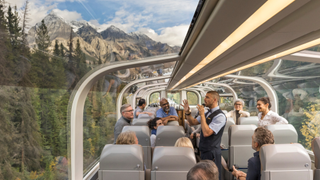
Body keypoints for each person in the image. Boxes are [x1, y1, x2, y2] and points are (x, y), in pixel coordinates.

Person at [181, 91, 226, 180]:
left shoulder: (220, 116)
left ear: (215, 100)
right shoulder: (207, 113)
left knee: (211, 177)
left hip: (212, 152)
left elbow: (206, 133)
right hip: (204, 150)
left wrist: (202, 115)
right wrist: (187, 112)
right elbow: (192, 122)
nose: (204, 99)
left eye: (207, 97)